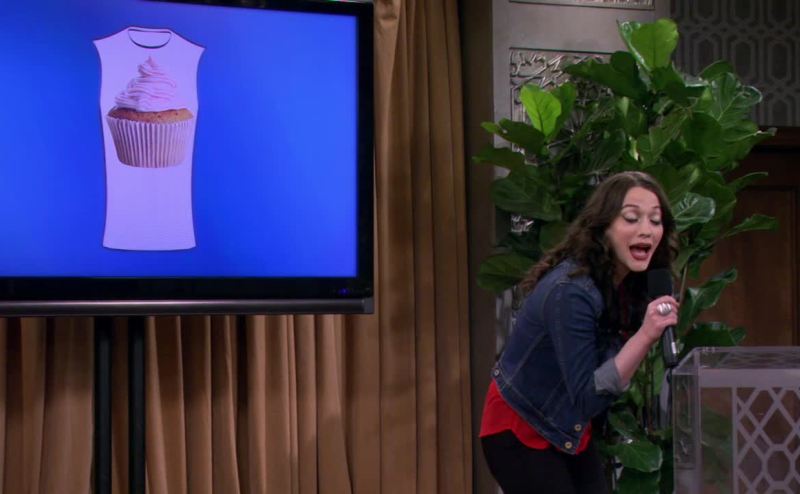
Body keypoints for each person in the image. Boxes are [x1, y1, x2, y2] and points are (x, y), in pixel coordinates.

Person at [480, 171, 680, 494]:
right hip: (521, 428)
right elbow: (587, 396)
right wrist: (645, 335)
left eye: (655, 221)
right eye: (632, 218)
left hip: (567, 428)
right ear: (603, 228)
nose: (646, 229)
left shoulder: (628, 287)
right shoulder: (572, 292)